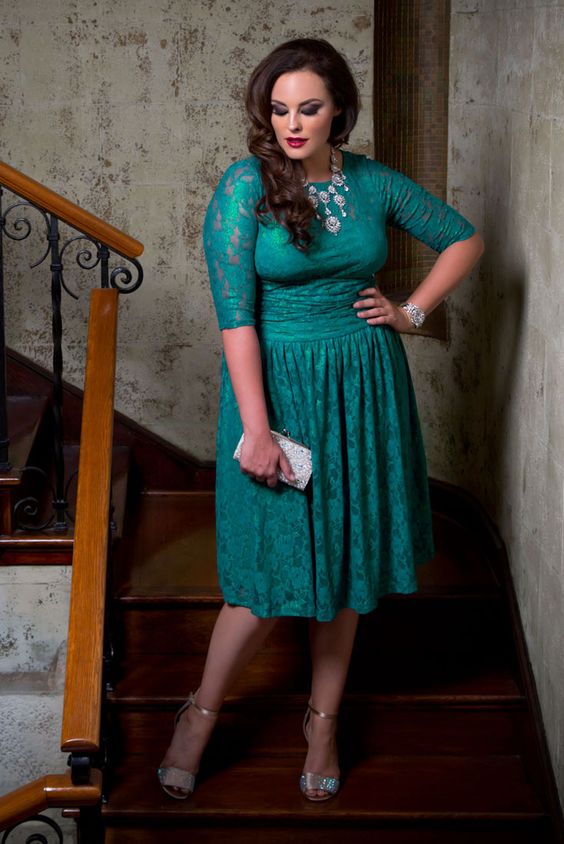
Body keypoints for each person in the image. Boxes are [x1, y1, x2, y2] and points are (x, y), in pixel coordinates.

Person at [157, 37, 484, 802]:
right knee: (263, 580)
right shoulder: (244, 186)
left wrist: (410, 311)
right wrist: (256, 428)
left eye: (308, 108)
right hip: (274, 387)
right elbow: (235, 317)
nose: (293, 124)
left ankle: (324, 721)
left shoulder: (372, 181)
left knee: (343, 568)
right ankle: (201, 712)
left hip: (363, 385)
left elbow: (463, 238)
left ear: (340, 110)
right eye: (279, 110)